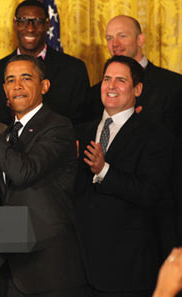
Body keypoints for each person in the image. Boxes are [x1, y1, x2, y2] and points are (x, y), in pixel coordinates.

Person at [0, 54, 90, 297]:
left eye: (26, 78)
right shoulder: (9, 134)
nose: (17, 86)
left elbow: (23, 171)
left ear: (44, 86)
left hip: (50, 268)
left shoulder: (57, 126)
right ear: (4, 90)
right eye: (10, 80)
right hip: (10, 268)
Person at [75, 56, 173, 297]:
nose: (110, 86)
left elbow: (151, 193)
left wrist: (104, 170)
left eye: (120, 80)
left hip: (127, 269)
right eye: (106, 79)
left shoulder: (155, 136)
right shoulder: (79, 132)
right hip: (79, 267)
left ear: (137, 89)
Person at [86, 15, 182, 252]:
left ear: (141, 39)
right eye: (109, 38)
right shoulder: (95, 94)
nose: (115, 43)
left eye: (122, 35)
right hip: (100, 223)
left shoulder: (173, 85)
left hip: (156, 215)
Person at [0, 0, 90, 125]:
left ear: (47, 24)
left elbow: (83, 122)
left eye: (38, 22)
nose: (30, 28)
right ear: (15, 24)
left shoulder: (74, 69)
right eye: (23, 21)